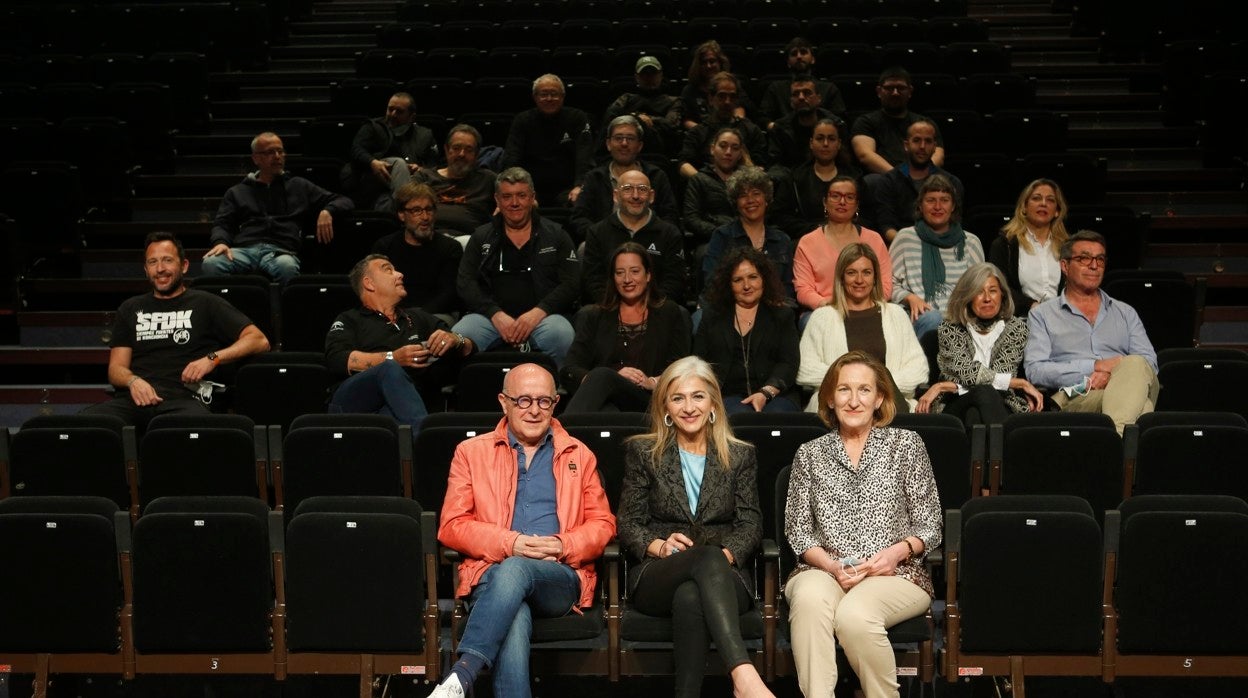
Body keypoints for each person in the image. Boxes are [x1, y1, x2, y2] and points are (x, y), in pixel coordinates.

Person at [429, 363, 616, 698]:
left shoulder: (579, 454)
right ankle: (460, 682)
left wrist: (563, 544)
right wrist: (509, 542)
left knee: (515, 570)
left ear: (555, 403)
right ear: (504, 402)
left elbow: (603, 525)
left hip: (558, 576)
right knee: (514, 609)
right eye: (523, 401)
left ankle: (461, 674)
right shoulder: (471, 453)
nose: (534, 410)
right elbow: (452, 525)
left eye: (544, 401)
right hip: (491, 573)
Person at [784, 350, 941, 698]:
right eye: (844, 390)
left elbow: (930, 524)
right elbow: (797, 530)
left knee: (855, 616)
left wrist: (897, 553)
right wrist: (830, 564)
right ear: (829, 397)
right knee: (808, 600)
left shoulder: (906, 445)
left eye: (864, 390)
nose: (854, 400)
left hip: (895, 573)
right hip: (825, 571)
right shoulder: (809, 454)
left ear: (880, 398)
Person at [617, 355, 776, 698]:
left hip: (726, 573)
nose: (689, 407)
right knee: (702, 563)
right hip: (659, 571)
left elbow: (751, 521)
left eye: (698, 396)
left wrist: (726, 557)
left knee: (692, 594)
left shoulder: (740, 455)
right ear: (666, 409)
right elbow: (628, 522)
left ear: (713, 404)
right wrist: (657, 545)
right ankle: (744, 676)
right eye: (678, 398)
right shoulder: (643, 452)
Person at [83, 232, 270, 429]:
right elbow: (116, 369)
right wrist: (133, 381)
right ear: (146, 270)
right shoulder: (129, 308)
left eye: (167, 260)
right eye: (153, 262)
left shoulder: (205, 302)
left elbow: (259, 340)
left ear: (184, 266)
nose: (160, 269)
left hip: (185, 401)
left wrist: (212, 358)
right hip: (135, 401)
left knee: (191, 432)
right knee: (86, 425)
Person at [1024, 230, 1159, 434]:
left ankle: (1115, 440)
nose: (1094, 266)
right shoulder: (1042, 315)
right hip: (1077, 394)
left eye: (1100, 259)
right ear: (1065, 266)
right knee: (1144, 407)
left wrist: (1113, 374)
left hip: (1127, 385)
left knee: (1137, 363)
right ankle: (1120, 443)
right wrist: (1094, 367)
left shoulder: (1125, 312)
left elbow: (1149, 363)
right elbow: (1036, 370)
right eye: (1084, 258)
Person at [325, 254, 472, 433]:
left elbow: (469, 348)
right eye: (388, 270)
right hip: (353, 399)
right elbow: (337, 359)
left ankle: (414, 446)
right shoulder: (349, 319)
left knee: (392, 416)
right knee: (389, 368)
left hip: (401, 401)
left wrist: (457, 340)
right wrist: (393, 358)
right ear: (369, 283)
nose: (400, 274)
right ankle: (426, 440)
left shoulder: (417, 317)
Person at [453, 167, 580, 368]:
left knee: (562, 335)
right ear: (497, 200)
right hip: (490, 319)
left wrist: (538, 313)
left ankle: (559, 393)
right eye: (507, 197)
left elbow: (571, 284)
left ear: (532, 197)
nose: (514, 203)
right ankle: (462, 395)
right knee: (458, 337)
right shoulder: (481, 236)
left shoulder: (556, 235)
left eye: (521, 196)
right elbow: (465, 283)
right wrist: (495, 314)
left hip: (543, 319)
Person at [204, 132, 354, 284]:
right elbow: (222, 223)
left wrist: (328, 210)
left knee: (286, 267)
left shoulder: (298, 185)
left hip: (280, 251)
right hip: (244, 250)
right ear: (256, 158)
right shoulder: (237, 191)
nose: (277, 156)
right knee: (212, 264)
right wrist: (220, 242)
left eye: (280, 151)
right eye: (270, 152)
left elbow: (344, 201)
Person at [561, 242, 690, 413]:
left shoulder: (670, 313)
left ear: (648, 275)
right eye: (620, 273)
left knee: (602, 376)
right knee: (606, 405)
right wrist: (605, 381)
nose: (627, 279)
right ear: (613, 278)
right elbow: (570, 369)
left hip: (650, 401)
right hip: (605, 401)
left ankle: (562, 433)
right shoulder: (595, 315)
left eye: (635, 271)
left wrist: (652, 381)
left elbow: (683, 367)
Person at [798, 243, 927, 414]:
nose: (859, 280)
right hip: (837, 405)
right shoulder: (822, 317)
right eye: (852, 273)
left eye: (866, 272)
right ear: (841, 277)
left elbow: (918, 367)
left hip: (889, 402)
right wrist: (853, 387)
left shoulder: (896, 314)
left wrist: (876, 388)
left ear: (875, 278)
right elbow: (806, 368)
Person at [914, 262, 1044, 425]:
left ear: (1002, 294)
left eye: (993, 291)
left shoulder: (1016, 328)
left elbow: (1001, 374)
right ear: (967, 297)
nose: (987, 298)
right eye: (979, 292)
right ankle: (1008, 448)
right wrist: (1018, 383)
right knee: (982, 393)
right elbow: (964, 371)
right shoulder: (950, 327)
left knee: (975, 412)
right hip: (954, 403)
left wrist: (942, 386)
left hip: (1002, 402)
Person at [695, 247, 801, 413]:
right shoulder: (712, 317)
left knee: (778, 415)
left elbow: (788, 363)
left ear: (763, 280)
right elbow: (699, 361)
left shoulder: (782, 316)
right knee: (739, 416)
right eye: (738, 280)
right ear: (728, 284)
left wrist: (766, 392)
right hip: (727, 394)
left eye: (753, 277)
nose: (746, 286)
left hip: (776, 394)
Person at [889, 173, 984, 340]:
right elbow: (888, 283)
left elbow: (979, 288)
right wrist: (909, 298)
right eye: (931, 200)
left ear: (953, 206)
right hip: (918, 316)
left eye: (944, 200)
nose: (938, 206)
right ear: (920, 206)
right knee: (933, 319)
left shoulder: (971, 242)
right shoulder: (905, 238)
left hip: (960, 317)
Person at [792, 176, 892, 329]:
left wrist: (863, 305)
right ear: (825, 202)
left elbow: (885, 285)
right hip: (826, 309)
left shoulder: (874, 239)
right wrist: (828, 305)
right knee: (812, 321)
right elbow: (803, 289)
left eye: (849, 197)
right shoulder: (807, 242)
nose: (842, 202)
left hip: (868, 306)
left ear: (857, 205)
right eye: (836, 196)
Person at [581, 169, 688, 306]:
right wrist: (618, 308)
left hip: (656, 308)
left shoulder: (670, 233)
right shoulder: (597, 232)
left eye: (642, 189)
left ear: (651, 196)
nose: (635, 196)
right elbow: (593, 280)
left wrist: (647, 307)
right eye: (628, 189)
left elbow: (674, 281)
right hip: (609, 308)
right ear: (615, 196)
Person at [568, 115, 679, 244]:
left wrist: (650, 237)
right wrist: (603, 236)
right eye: (618, 138)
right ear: (608, 144)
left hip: (649, 243)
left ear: (640, 145)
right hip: (605, 242)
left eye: (630, 138)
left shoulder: (656, 175)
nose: (624, 143)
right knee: (584, 248)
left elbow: (670, 216)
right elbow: (579, 218)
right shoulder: (595, 177)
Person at [701, 166, 795, 302]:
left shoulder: (782, 240)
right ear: (736, 203)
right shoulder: (722, 236)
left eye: (756, 193)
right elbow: (712, 281)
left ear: (766, 199)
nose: (750, 200)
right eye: (743, 195)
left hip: (773, 310)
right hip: (729, 308)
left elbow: (787, 288)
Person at [370, 182, 463, 320]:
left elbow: (448, 293)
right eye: (417, 211)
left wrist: (415, 317)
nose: (425, 217)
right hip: (392, 313)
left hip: (435, 315)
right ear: (402, 215)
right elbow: (377, 289)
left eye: (429, 209)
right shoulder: (384, 247)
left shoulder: (450, 248)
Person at [502, 74, 595, 206]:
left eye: (554, 94)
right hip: (531, 189)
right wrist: (517, 190)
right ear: (535, 97)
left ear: (563, 96)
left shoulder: (577, 118)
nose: (549, 98)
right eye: (544, 94)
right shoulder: (522, 120)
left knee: (581, 201)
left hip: (568, 188)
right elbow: (512, 157)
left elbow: (584, 156)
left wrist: (580, 186)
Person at [872, 118, 964, 243]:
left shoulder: (952, 182)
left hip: (943, 245)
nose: (922, 146)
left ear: (934, 147)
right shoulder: (887, 182)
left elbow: (955, 222)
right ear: (906, 145)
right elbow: (886, 227)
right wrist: (913, 245)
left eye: (928, 141)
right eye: (916, 140)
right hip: (901, 246)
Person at [345, 91, 439, 211]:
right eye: (390, 109)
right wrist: (373, 162)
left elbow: (434, 167)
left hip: (413, 185)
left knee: (387, 205)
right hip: (377, 180)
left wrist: (420, 169)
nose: (392, 114)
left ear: (412, 116)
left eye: (399, 111)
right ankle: (408, 211)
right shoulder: (373, 127)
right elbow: (356, 150)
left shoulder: (424, 135)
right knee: (398, 164)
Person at [988, 178, 1070, 316]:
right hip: (1021, 319)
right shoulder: (1004, 244)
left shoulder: (1068, 246)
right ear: (1024, 207)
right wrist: (1031, 306)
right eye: (1036, 198)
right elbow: (999, 286)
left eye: (1050, 200)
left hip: (1062, 318)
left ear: (1057, 211)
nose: (1043, 204)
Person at [772, 117, 863, 239]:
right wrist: (816, 230)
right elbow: (780, 216)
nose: (825, 144)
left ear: (839, 144)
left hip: (850, 240)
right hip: (806, 239)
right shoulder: (794, 178)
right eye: (820, 138)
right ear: (811, 143)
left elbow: (868, 215)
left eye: (831, 139)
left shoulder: (855, 177)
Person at [851, 67, 944, 176]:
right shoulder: (865, 122)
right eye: (889, 88)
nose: (895, 93)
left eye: (901, 88)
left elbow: (938, 156)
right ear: (879, 91)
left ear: (910, 91)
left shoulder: (925, 123)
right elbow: (865, 156)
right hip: (883, 180)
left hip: (923, 178)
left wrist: (918, 176)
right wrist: (900, 178)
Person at [678, 72, 770, 179]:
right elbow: (683, 164)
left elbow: (761, 165)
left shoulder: (751, 130)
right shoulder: (698, 132)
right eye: (722, 96)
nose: (727, 101)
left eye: (732, 97)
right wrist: (703, 181)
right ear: (711, 99)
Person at [412, 124, 498, 236]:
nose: (462, 154)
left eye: (469, 150)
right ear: (447, 150)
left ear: (476, 154)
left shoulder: (488, 179)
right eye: (456, 148)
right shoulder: (424, 177)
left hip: (470, 241)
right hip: (428, 238)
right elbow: (405, 206)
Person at [601, 55, 682, 158]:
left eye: (653, 73)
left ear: (661, 75)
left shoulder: (673, 101)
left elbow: (671, 125)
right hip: (625, 149)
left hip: (658, 153)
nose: (649, 77)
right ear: (636, 77)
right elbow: (610, 118)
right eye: (644, 74)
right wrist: (638, 118)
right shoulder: (626, 98)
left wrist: (648, 119)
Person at [758, 37, 847, 129]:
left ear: (813, 59)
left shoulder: (829, 89)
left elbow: (839, 119)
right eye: (794, 54)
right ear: (788, 62)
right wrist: (778, 130)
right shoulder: (776, 88)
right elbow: (763, 118)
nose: (799, 56)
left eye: (803, 52)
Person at [682, 126, 749, 245]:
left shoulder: (747, 180)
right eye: (723, 146)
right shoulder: (699, 179)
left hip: (746, 238)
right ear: (712, 149)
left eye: (735, 148)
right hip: (711, 240)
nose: (728, 152)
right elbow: (691, 218)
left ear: (740, 154)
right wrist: (721, 233)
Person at [766, 75, 845, 174]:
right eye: (796, 94)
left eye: (807, 93)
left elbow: (845, 162)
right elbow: (775, 164)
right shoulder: (780, 128)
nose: (801, 97)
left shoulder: (837, 126)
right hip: (792, 180)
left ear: (819, 98)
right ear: (791, 101)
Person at [679, 40, 749, 130]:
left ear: (720, 63)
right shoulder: (689, 90)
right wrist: (705, 132)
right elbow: (686, 120)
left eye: (712, 61)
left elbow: (740, 109)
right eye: (704, 62)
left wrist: (730, 129)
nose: (708, 66)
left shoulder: (732, 86)